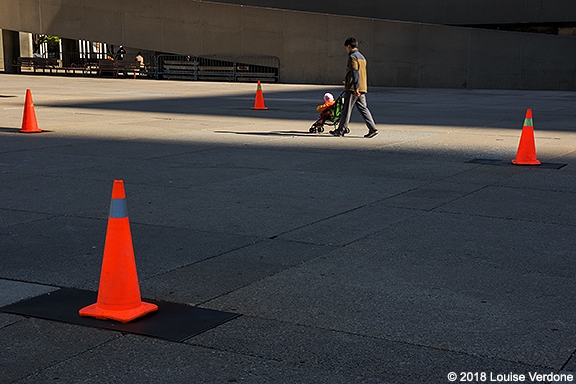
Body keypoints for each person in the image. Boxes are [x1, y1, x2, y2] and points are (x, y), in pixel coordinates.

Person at [330, 37, 378, 138]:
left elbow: (355, 72)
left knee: (346, 110)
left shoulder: (352, 56)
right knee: (363, 109)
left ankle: (340, 130)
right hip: (362, 87)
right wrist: (349, 81)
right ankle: (372, 128)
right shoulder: (362, 57)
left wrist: (355, 87)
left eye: (346, 48)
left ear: (348, 46)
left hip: (353, 89)